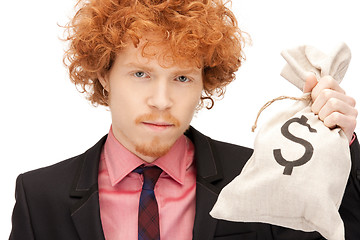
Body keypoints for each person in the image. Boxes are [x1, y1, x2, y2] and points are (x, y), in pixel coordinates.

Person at [9, 0, 359, 239]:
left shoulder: (259, 175)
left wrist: (341, 144)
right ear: (104, 75)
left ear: (204, 82)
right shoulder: (39, 196)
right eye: (141, 74)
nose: (161, 101)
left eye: (181, 78)